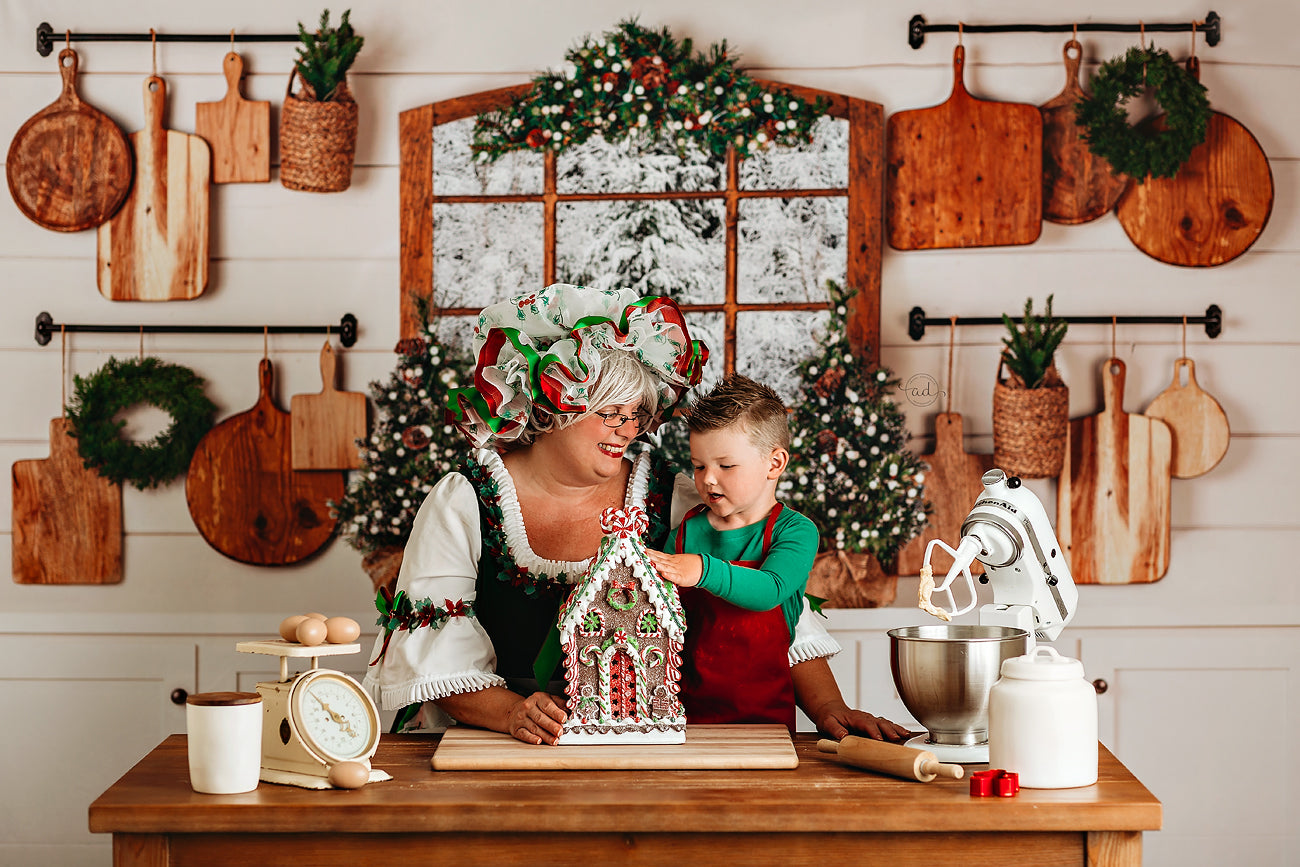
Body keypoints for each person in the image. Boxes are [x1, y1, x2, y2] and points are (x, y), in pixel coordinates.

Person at [363, 283, 912, 746]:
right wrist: (512, 712)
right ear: (551, 406)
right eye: (609, 414)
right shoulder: (464, 500)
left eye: (637, 415)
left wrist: (828, 708)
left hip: (638, 743)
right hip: (492, 742)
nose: (627, 430)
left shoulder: (672, 494)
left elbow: (768, 607)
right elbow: (434, 650)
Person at [646, 375, 814, 732]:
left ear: (774, 463)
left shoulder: (795, 532)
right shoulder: (685, 533)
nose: (708, 479)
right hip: (684, 718)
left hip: (765, 721)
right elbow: (657, 615)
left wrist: (702, 571)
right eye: (699, 466)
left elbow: (769, 590)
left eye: (726, 466)